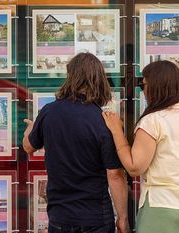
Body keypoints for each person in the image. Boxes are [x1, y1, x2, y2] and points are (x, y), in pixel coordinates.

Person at [23, 53, 129, 233]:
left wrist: (30, 129)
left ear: (70, 76)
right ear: (99, 79)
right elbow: (114, 174)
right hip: (96, 217)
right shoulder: (103, 120)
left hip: (60, 216)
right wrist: (123, 218)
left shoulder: (49, 112)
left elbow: (28, 146)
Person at [102, 60, 179, 233]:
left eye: (142, 84)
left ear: (154, 86)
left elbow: (134, 167)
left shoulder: (152, 122)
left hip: (161, 207)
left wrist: (116, 131)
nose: (142, 90)